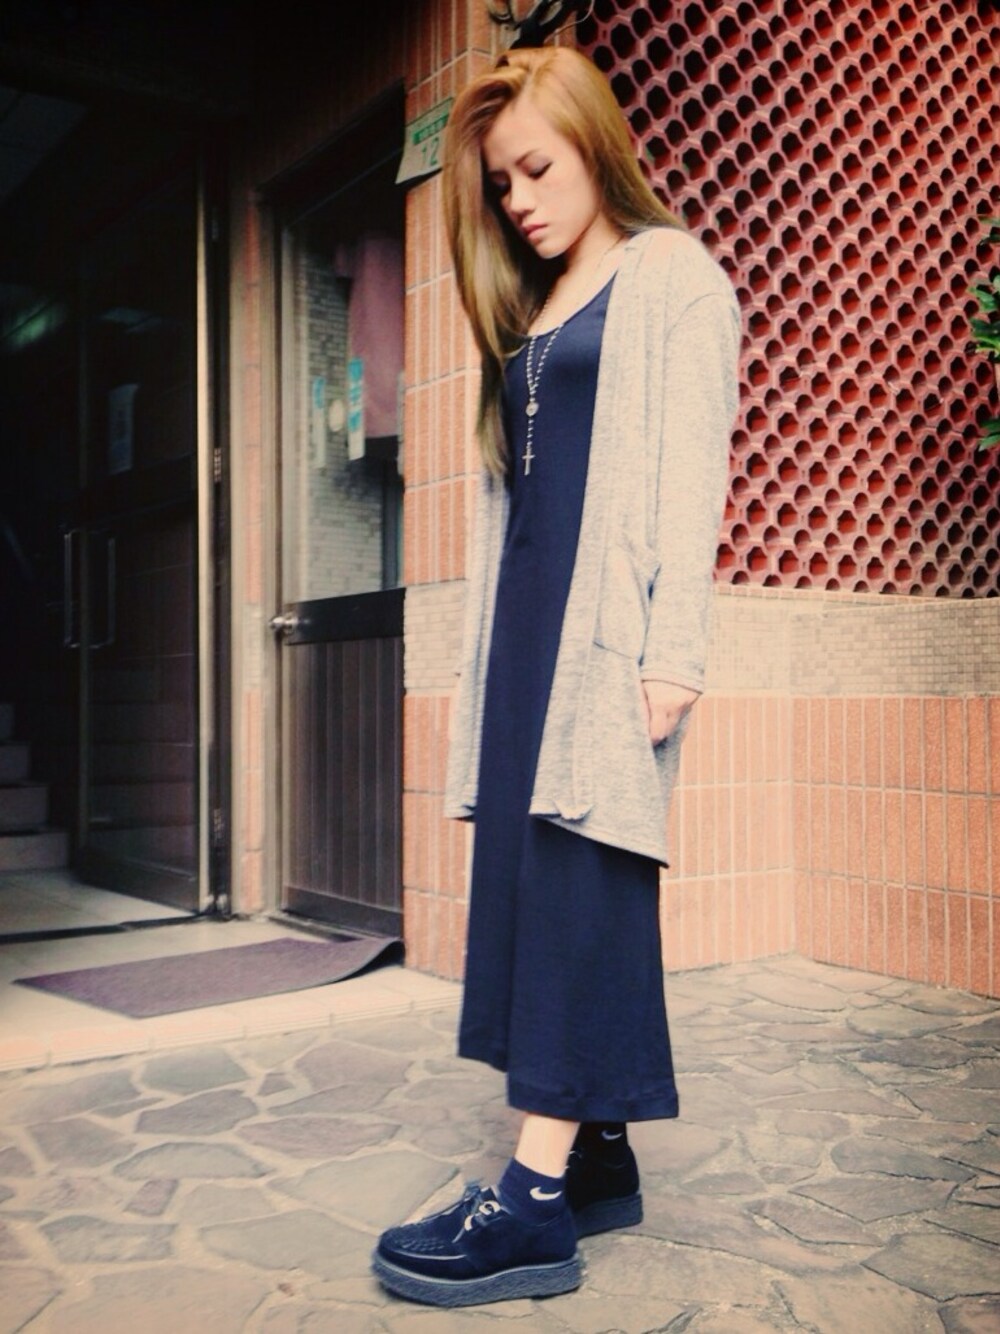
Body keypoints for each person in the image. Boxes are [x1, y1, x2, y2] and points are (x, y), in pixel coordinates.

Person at [372, 44, 741, 1308]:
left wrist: (674, 649)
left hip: (606, 637)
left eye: (536, 167)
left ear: (594, 144)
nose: (519, 200)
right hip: (527, 630)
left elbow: (692, 475)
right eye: (500, 184)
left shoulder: (671, 273)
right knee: (534, 883)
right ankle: (596, 1155)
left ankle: (530, 1206)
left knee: (585, 878)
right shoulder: (535, 301)